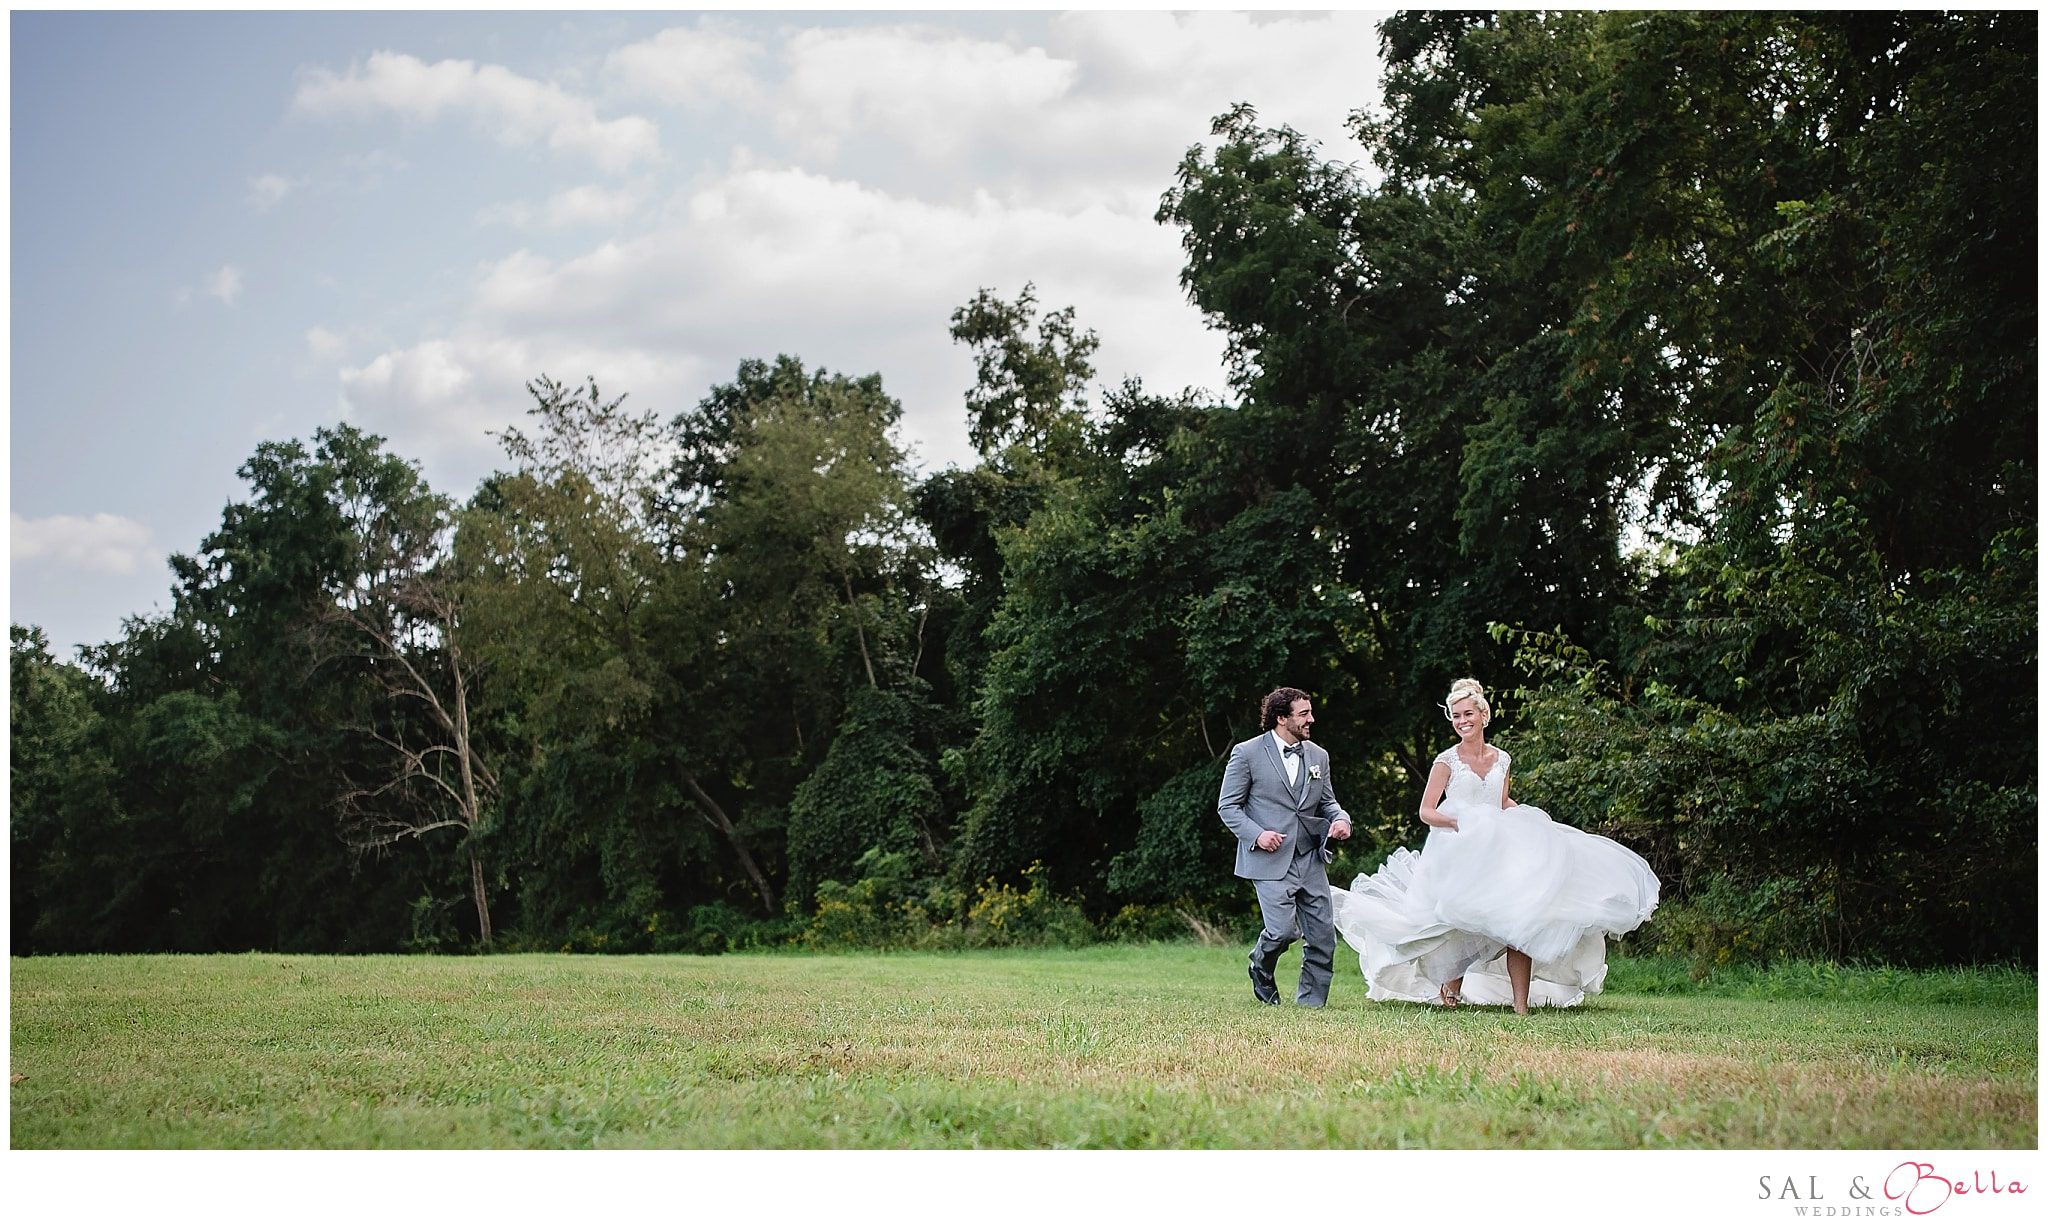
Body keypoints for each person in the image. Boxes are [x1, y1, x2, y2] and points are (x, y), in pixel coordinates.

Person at [1330, 678, 1659, 1015]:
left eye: (1468, 713)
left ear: (1483, 715)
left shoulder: (1503, 759)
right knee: (1459, 921)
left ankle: (1520, 1006)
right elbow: (1426, 811)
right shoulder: (1446, 761)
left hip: (1499, 850)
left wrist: (1534, 824)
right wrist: (1461, 823)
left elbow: (1501, 802)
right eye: (1456, 716)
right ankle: (1450, 988)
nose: (1462, 721)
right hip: (1459, 849)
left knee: (1521, 919)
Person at [1217, 687, 1353, 1006]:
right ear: (1281, 718)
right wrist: (1257, 834)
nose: (1311, 719)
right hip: (1269, 858)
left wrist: (1342, 820)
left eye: (1310, 712)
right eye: (1303, 714)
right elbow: (1228, 806)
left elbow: (1329, 802)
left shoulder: (1319, 756)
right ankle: (1261, 964)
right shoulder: (1246, 753)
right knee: (1282, 932)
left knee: (1322, 938)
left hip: (1309, 857)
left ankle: (1311, 1004)